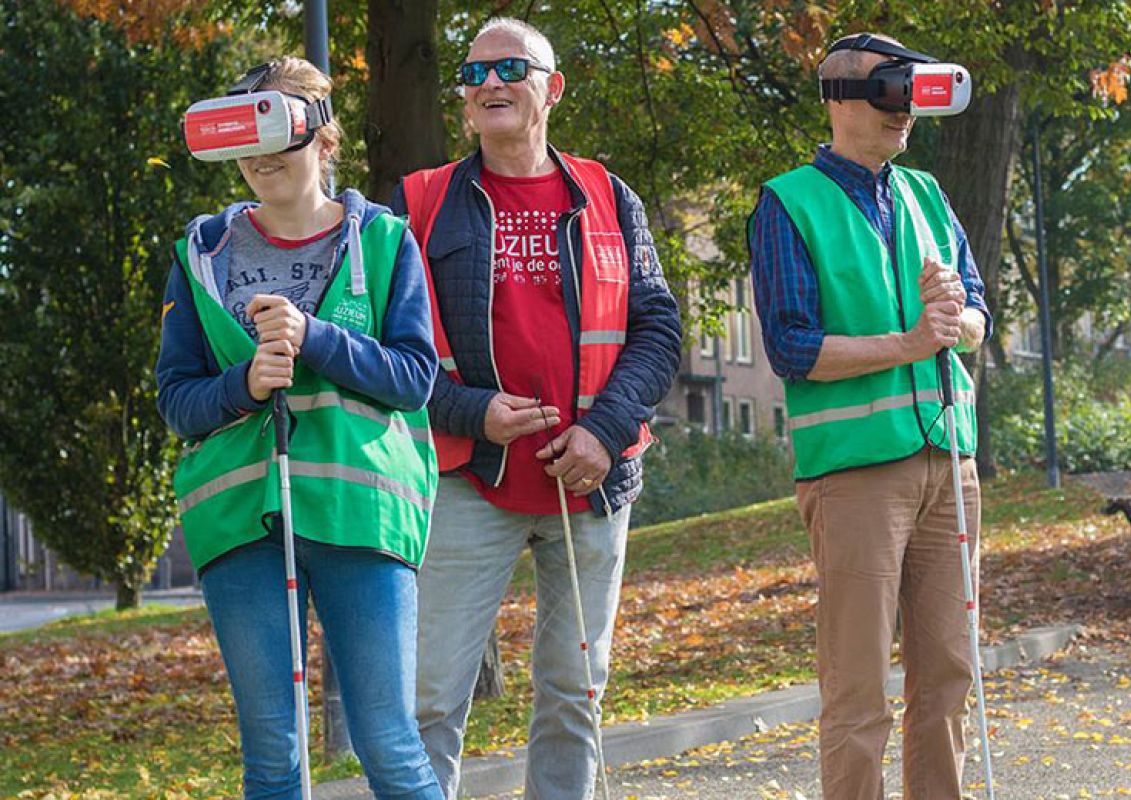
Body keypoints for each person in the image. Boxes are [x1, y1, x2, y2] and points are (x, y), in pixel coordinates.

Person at [391, 18, 681, 799]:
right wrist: (467, 411)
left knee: (573, 692)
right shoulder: (419, 202)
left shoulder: (608, 194)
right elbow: (386, 347)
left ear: (550, 88)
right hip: (465, 478)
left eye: (510, 68)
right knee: (427, 699)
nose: (490, 83)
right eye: (475, 71)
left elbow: (658, 326)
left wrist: (604, 431)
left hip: (591, 482)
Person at [157, 57, 443, 798]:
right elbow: (177, 402)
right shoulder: (202, 253)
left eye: (276, 126)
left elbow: (415, 378)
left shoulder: (383, 241)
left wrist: (313, 337)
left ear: (322, 138)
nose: (259, 152)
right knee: (273, 755)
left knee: (388, 740)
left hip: (361, 516)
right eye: (243, 130)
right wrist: (244, 385)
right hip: (240, 523)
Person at [748, 33, 993, 799]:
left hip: (948, 462)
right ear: (838, 97)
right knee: (857, 690)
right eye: (890, 92)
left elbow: (978, 315)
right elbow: (793, 348)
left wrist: (958, 318)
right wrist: (914, 340)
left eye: (912, 95)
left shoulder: (925, 193)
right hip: (856, 475)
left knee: (950, 674)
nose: (904, 112)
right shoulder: (789, 202)